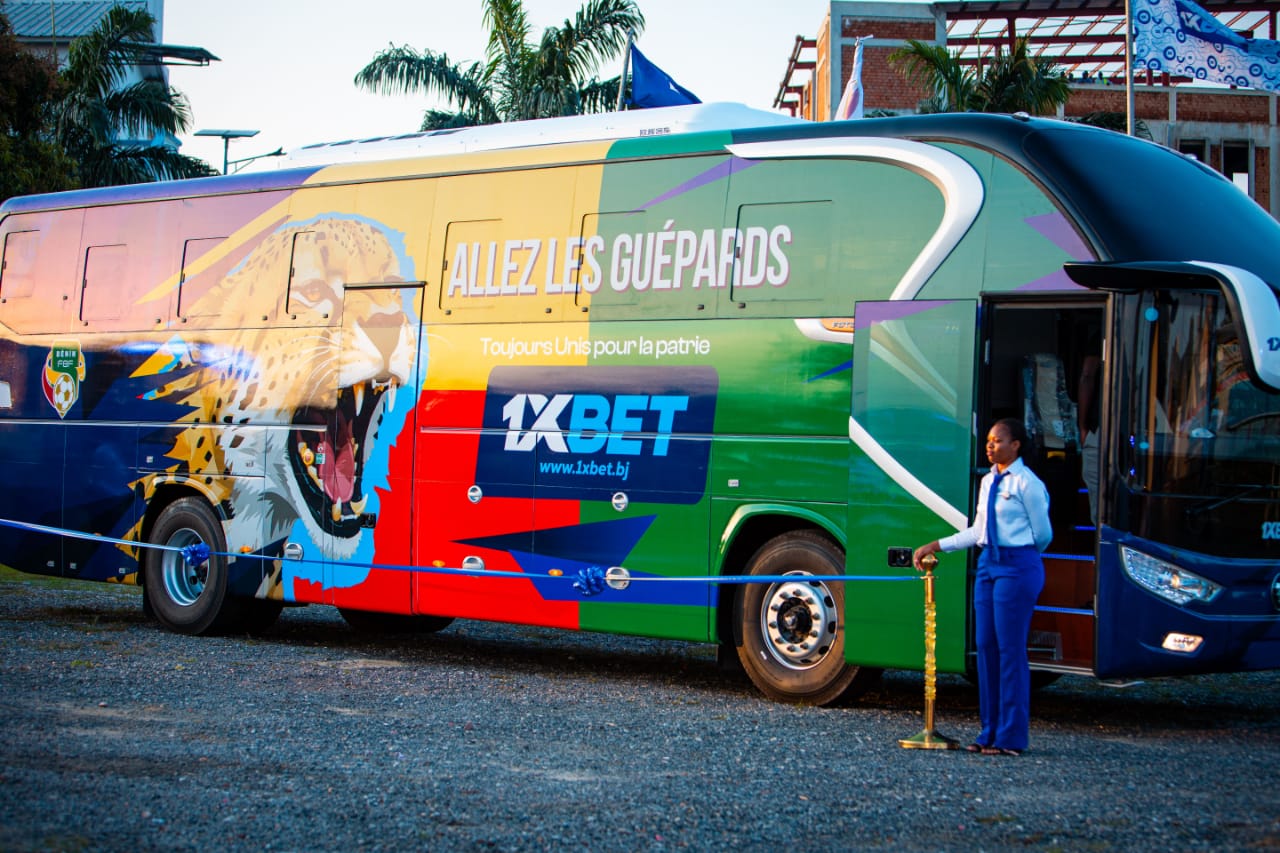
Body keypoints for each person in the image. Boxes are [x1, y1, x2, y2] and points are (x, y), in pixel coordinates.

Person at [913, 418, 1052, 756]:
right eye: (989, 440)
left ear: (1015, 445)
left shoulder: (1027, 483)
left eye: (998, 440)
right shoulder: (989, 480)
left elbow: (1043, 535)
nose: (990, 445)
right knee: (985, 647)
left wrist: (1018, 557)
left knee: (1010, 650)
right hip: (988, 562)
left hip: (1018, 565)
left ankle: (1011, 737)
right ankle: (988, 731)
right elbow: (978, 530)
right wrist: (936, 545)